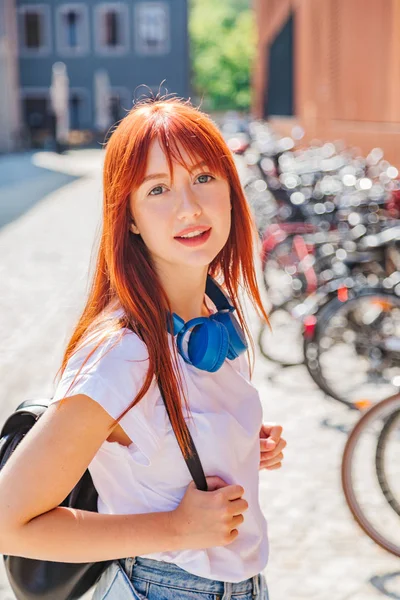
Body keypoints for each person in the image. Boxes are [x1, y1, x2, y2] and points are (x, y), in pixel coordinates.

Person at [0, 96, 286, 600]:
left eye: (203, 178)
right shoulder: (124, 351)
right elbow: (9, 520)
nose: (190, 207)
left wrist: (238, 442)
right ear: (128, 216)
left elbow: (157, 441)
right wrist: (176, 529)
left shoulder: (213, 316)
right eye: (158, 189)